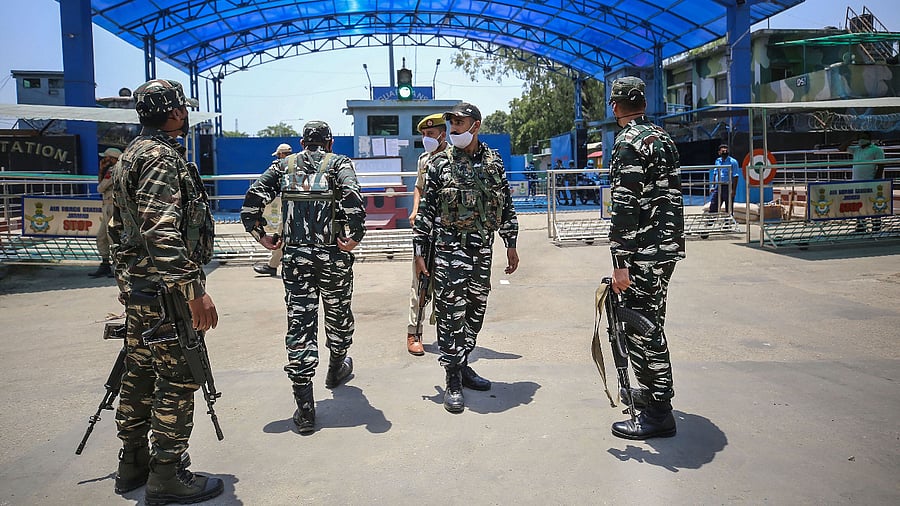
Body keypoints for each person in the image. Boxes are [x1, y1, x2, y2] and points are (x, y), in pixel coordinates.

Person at [108, 78, 224, 503]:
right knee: (177, 380)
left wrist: (127, 283)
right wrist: (193, 290)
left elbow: (120, 229)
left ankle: (132, 464)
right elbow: (160, 231)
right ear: (174, 112)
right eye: (183, 108)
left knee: (138, 374)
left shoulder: (130, 155)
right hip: (166, 293)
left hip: (142, 290)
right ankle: (167, 475)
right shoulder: (160, 158)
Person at [241, 120, 366, 435]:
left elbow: (251, 203)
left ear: (301, 143)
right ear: (330, 142)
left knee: (300, 325)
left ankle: (305, 408)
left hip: (296, 260)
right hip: (334, 258)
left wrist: (263, 237)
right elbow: (354, 200)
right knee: (338, 314)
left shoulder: (283, 166)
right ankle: (336, 367)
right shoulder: (339, 164)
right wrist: (354, 237)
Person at [413, 102, 519, 414]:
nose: (454, 127)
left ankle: (463, 363)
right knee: (449, 313)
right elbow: (426, 212)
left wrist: (511, 243)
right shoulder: (439, 164)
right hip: (448, 250)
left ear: (476, 124)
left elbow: (506, 204)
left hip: (482, 250)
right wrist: (420, 251)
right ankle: (452, 378)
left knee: (476, 309)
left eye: (460, 122)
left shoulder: (493, 161)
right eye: (452, 123)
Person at [606, 76, 685, 440]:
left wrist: (620, 261)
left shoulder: (626, 143)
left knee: (642, 328)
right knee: (649, 321)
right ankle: (652, 394)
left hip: (642, 252)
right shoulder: (662, 138)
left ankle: (658, 411)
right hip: (665, 247)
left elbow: (624, 207)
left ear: (616, 106)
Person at [406, 113, 448, 356]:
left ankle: (446, 334)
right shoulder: (424, 160)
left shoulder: (455, 159)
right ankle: (414, 333)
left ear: (443, 134)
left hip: (447, 231)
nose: (426, 138)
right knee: (419, 283)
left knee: (446, 283)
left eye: (430, 134)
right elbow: (419, 188)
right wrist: (415, 210)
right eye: (423, 134)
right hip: (425, 229)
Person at [252, 143, 293, 276]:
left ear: (281, 154)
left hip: (288, 206)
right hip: (301, 206)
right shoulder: (298, 165)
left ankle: (272, 265)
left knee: (280, 235)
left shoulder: (279, 167)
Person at [841, 132, 886, 232]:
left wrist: (875, 181)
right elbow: (841, 148)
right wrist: (852, 139)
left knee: (873, 204)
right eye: (860, 137)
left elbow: (881, 166)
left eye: (863, 137)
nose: (861, 139)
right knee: (859, 204)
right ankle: (861, 225)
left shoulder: (876, 150)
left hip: (870, 182)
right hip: (856, 182)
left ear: (869, 139)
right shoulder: (856, 149)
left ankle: (876, 225)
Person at [90, 147, 122, 278]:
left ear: (113, 158)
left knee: (112, 237)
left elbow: (100, 188)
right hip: (108, 206)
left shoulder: (114, 170)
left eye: (107, 157)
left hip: (112, 207)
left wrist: (103, 171)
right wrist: (101, 170)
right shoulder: (111, 170)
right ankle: (105, 264)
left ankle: (117, 266)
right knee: (102, 236)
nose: (104, 160)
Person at [709, 144, 739, 214]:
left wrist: (733, 190)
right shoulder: (717, 161)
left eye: (726, 151)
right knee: (714, 204)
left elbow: (735, 176)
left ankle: (728, 222)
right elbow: (715, 173)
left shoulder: (733, 162)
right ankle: (710, 222)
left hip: (728, 186)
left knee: (728, 206)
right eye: (723, 151)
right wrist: (713, 186)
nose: (725, 153)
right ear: (719, 152)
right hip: (718, 186)